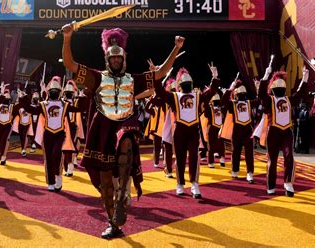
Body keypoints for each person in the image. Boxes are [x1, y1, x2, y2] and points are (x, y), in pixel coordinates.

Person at [62, 23, 183, 238]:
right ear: (108, 60)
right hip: (102, 128)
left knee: (127, 140)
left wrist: (176, 48)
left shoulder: (133, 79)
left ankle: (121, 199)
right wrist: (68, 37)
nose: (116, 60)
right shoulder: (96, 77)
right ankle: (113, 221)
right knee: (105, 178)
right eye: (113, 58)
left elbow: (161, 72)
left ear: (124, 59)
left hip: (125, 123)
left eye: (119, 58)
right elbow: (70, 64)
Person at [155, 66, 220, 197]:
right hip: (179, 131)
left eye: (189, 83)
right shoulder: (174, 96)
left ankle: (194, 184)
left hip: (193, 132)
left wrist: (215, 77)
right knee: (180, 157)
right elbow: (160, 92)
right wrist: (158, 76)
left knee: (194, 157)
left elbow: (211, 92)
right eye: (185, 84)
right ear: (180, 85)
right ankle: (180, 184)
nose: (187, 85)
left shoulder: (197, 96)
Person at [256, 66, 309, 196]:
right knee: (272, 160)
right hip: (273, 132)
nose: (279, 90)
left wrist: (305, 78)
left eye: (282, 88)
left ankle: (288, 183)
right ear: (272, 90)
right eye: (276, 88)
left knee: (289, 155)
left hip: (286, 132)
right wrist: (265, 76)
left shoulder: (289, 100)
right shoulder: (269, 100)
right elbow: (261, 94)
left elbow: (300, 93)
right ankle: (271, 185)